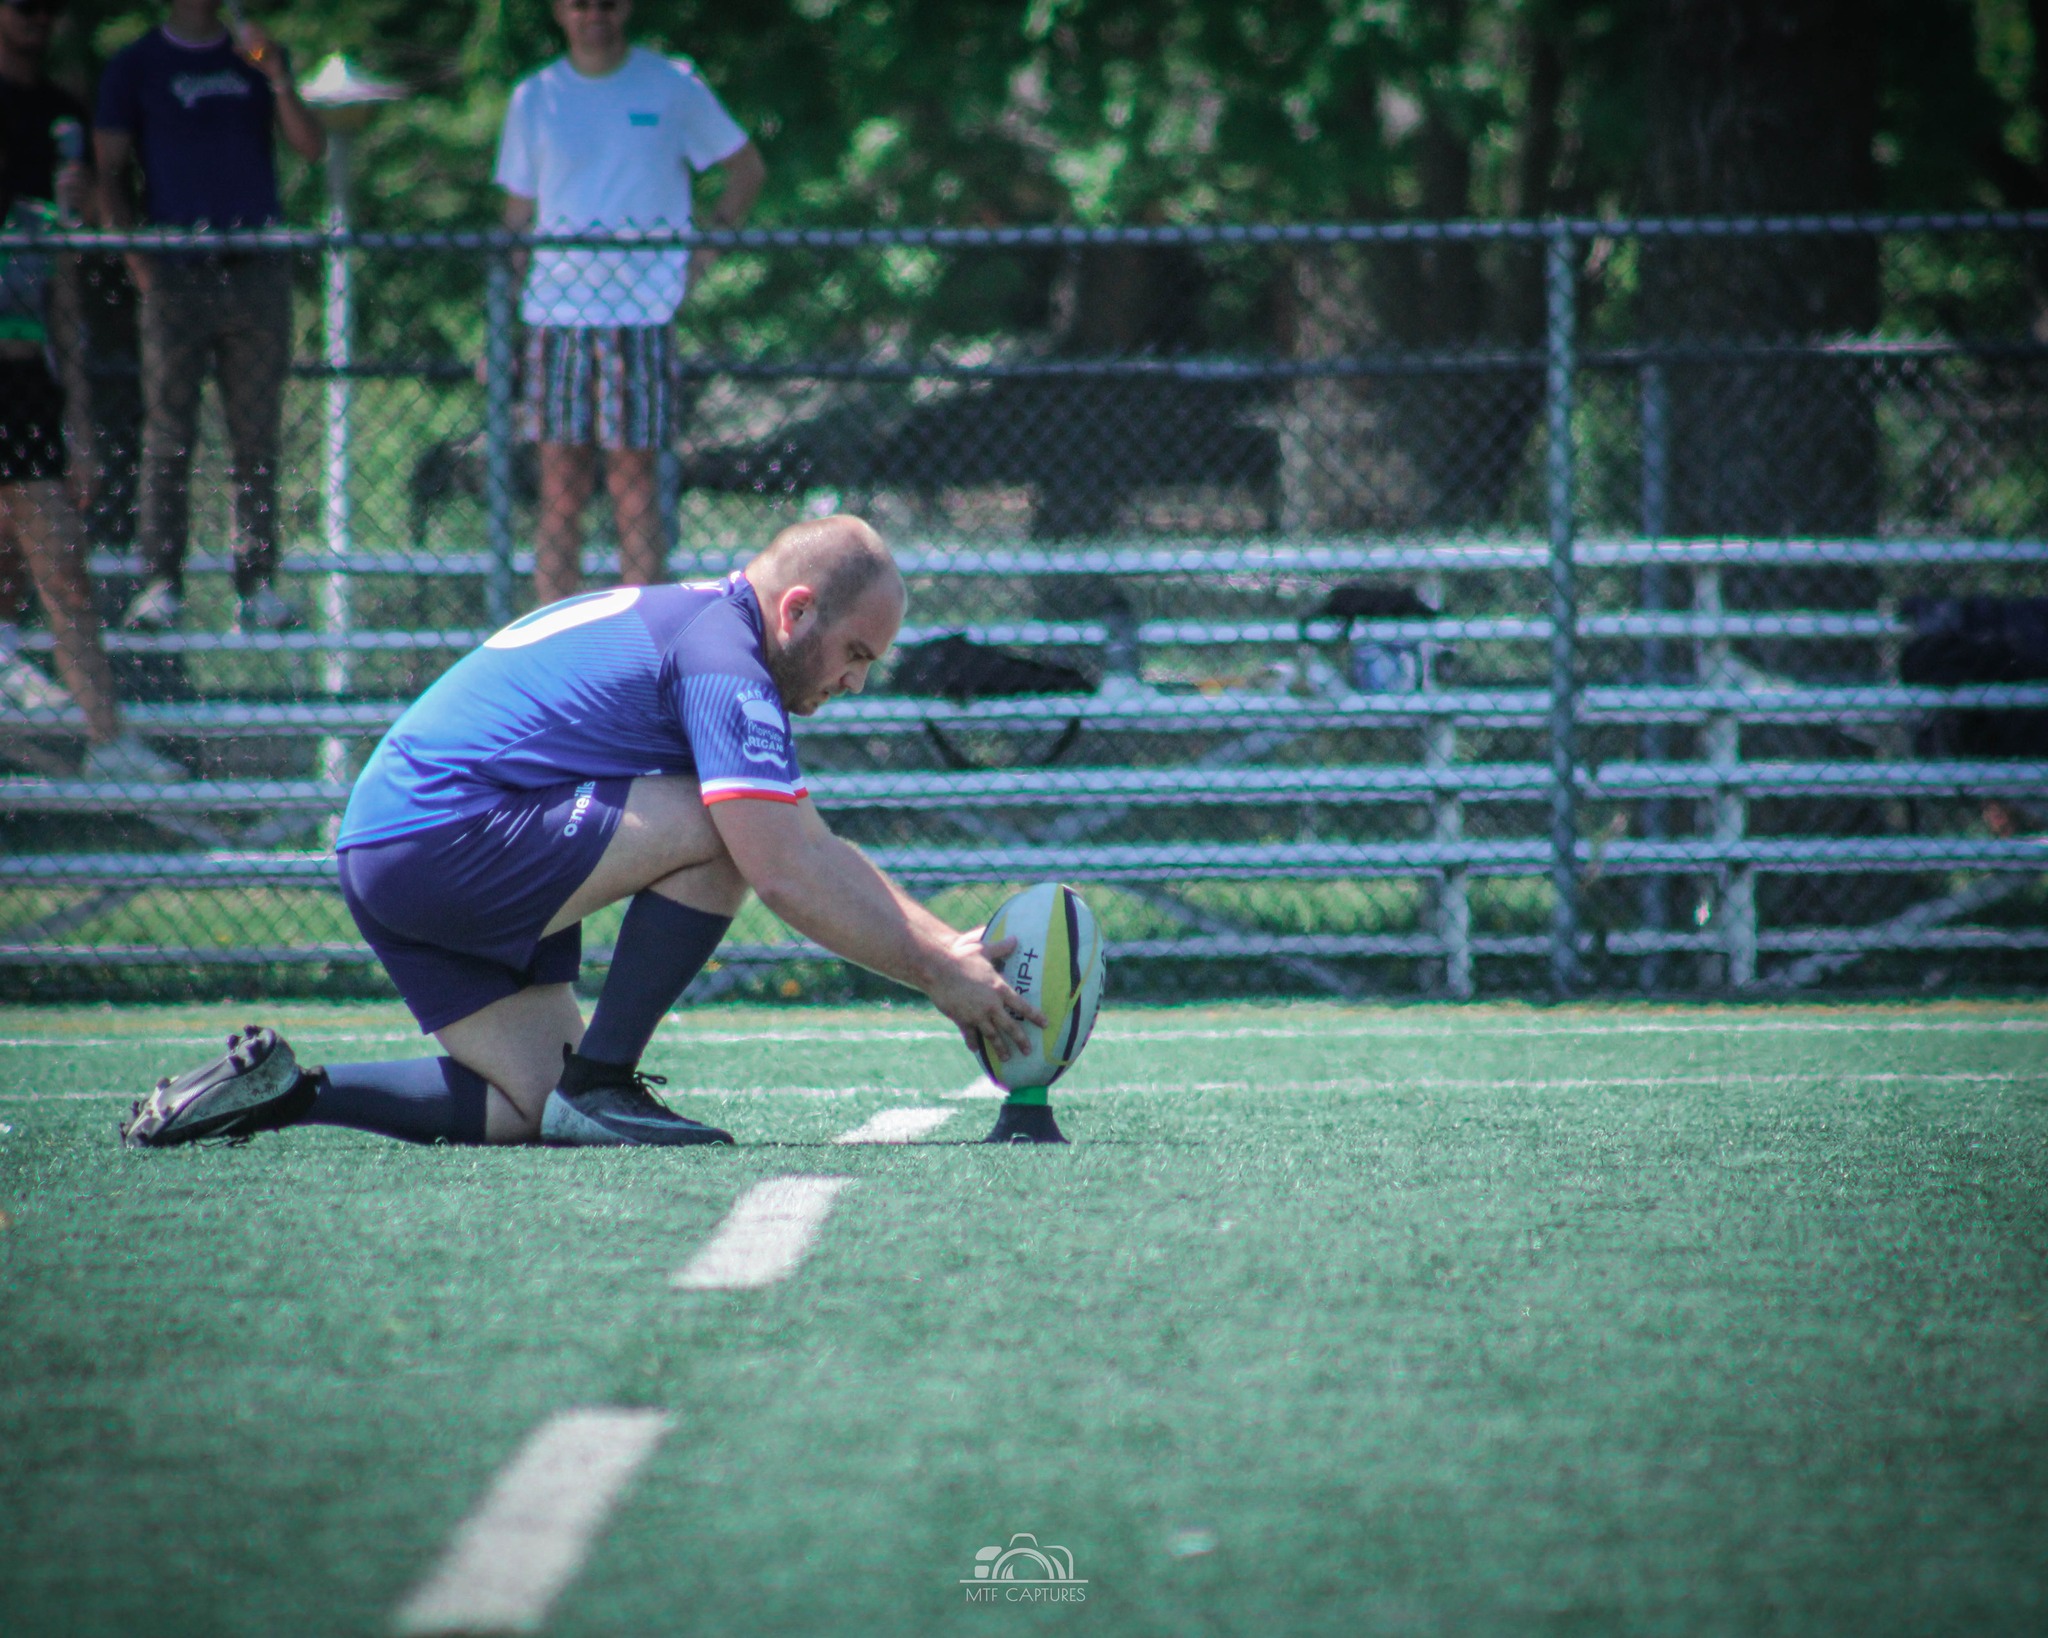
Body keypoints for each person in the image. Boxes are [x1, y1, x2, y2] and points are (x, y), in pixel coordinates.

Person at [121, 515, 1042, 1148]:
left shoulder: (701, 627)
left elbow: (810, 840)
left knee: (526, 1104)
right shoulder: (723, 659)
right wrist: (935, 974)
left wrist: (943, 948)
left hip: (400, 849)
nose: (855, 683)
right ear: (797, 611)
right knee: (730, 830)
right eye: (854, 655)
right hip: (440, 840)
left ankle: (289, 1095)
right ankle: (603, 1083)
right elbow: (788, 867)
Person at [496, 0, 765, 606]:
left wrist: (701, 257)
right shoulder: (534, 97)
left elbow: (745, 169)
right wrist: (505, 322)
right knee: (559, 487)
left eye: (608, 2)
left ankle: (641, 641)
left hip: (642, 315)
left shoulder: (672, 84)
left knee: (633, 482)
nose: (595, 14)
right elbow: (517, 216)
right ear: (559, 11)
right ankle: (550, 636)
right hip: (555, 317)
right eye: (580, 3)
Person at [94, 0, 324, 635]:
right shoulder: (135, 65)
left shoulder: (253, 56)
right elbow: (106, 170)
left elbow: (311, 146)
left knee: (255, 435)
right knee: (169, 433)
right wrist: (137, 262)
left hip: (255, 270)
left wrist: (277, 73)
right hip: (176, 273)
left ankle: (257, 584)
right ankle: (161, 583)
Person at [0, 18, 182, 781]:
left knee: (62, 566)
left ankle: (108, 741)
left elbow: (64, 280)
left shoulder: (55, 115)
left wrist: (74, 412)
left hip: (26, 376)